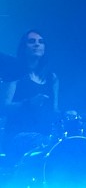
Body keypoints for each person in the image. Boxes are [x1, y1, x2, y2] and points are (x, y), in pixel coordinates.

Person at [0, 30, 60, 163]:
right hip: (17, 135)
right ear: (24, 47)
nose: (37, 44)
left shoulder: (52, 78)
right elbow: (3, 108)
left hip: (45, 133)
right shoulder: (14, 73)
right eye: (31, 41)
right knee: (47, 143)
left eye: (40, 42)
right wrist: (28, 103)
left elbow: (55, 110)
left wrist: (69, 116)